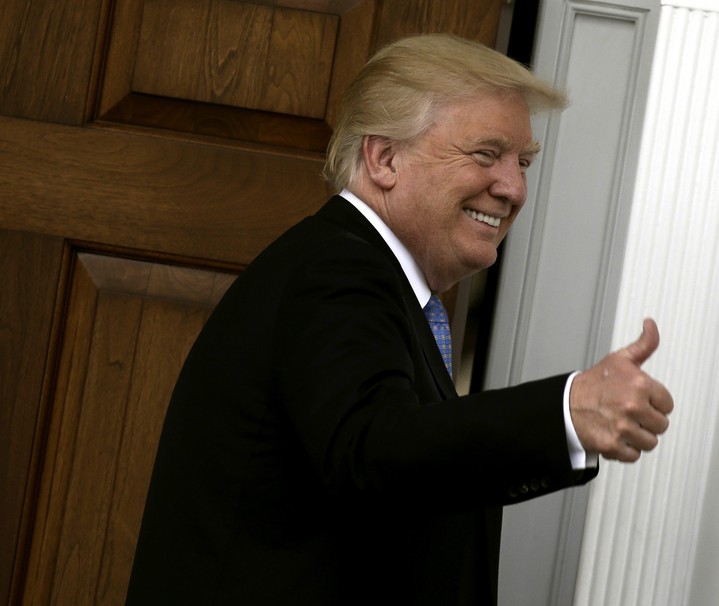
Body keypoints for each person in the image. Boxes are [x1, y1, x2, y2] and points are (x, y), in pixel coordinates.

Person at [126, 34, 673, 605]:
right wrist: (566, 411)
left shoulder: (375, 282)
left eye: (524, 162)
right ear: (384, 158)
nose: (513, 188)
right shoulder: (339, 270)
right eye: (486, 155)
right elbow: (374, 452)